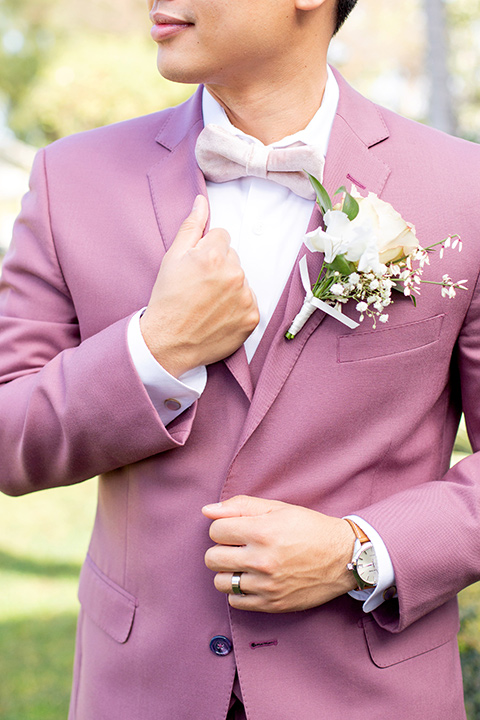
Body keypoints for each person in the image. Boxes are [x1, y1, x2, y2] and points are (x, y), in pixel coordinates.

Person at [1, 0, 479, 717]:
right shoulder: (74, 179)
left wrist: (360, 551)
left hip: (371, 695)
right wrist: (154, 350)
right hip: (140, 693)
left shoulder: (462, 190)